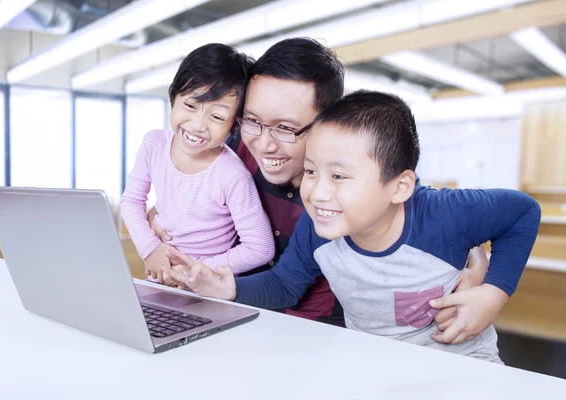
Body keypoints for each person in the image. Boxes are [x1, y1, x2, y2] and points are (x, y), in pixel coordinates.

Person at [166, 90, 541, 362]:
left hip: (463, 366)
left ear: (400, 186)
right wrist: (228, 288)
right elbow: (285, 284)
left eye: (340, 176)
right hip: (372, 365)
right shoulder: (318, 225)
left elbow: (522, 212)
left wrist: (493, 294)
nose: (318, 192)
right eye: (311, 171)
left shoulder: (442, 213)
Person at [150, 37, 490, 331]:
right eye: (253, 120)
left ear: (328, 123)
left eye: (286, 127)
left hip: (323, 329)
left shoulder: (355, 177)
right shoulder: (238, 147)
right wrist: (163, 212)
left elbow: (416, 207)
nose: (266, 144)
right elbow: (183, 177)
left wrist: (475, 259)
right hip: (235, 310)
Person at [120, 43, 275, 283]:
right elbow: (131, 201)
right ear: (174, 97)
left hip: (208, 291)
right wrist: (150, 248)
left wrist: (192, 270)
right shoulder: (154, 144)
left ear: (234, 125)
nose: (197, 125)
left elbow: (261, 248)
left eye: (216, 116)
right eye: (190, 105)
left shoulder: (232, 175)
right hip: (160, 281)